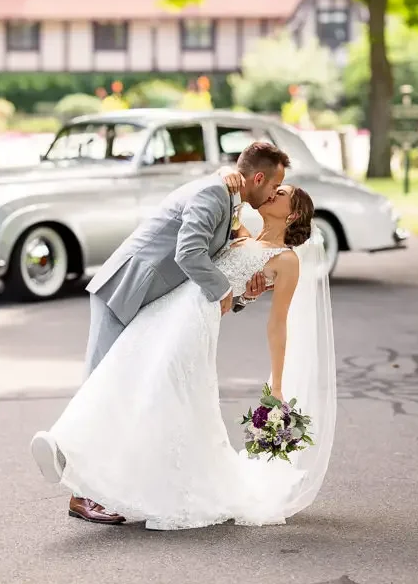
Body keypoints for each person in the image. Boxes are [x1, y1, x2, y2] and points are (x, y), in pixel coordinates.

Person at [32, 147, 337, 530]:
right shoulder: (226, 202)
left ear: (291, 213)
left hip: (183, 313)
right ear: (257, 179)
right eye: (275, 185)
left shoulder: (270, 244)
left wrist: (244, 298)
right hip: (138, 294)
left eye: (281, 193)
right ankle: (72, 463)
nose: (275, 192)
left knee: (147, 390)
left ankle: (83, 469)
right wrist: (229, 289)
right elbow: (196, 255)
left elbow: (262, 310)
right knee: (113, 382)